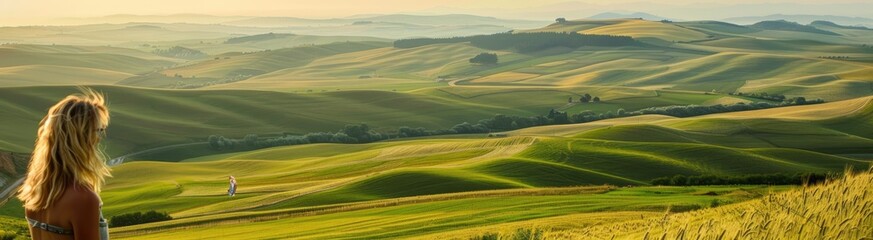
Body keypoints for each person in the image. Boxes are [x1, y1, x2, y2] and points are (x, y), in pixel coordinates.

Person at [17, 89, 112, 240]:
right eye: (98, 131)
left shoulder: (35, 191)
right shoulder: (83, 198)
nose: (99, 138)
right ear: (82, 138)